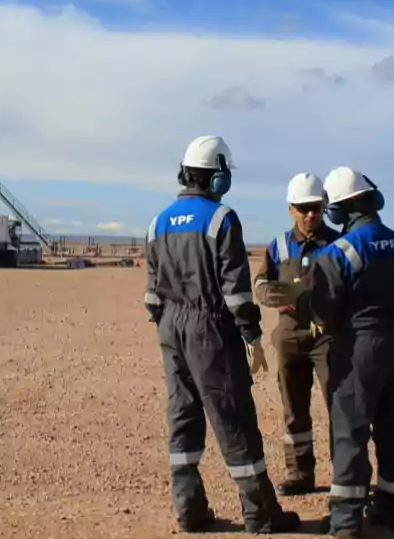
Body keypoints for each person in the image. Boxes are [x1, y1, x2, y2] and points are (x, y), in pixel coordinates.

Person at [144, 136, 301, 535]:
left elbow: (151, 296)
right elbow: (236, 292)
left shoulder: (157, 222)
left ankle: (190, 510)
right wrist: (250, 337)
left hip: (171, 328)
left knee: (183, 415)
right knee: (233, 416)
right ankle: (260, 513)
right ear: (216, 176)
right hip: (209, 328)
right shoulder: (220, 218)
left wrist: (170, 330)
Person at [307, 167, 394, 538]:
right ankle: (392, 510)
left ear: (338, 210)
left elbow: (324, 309)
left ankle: (345, 521)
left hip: (359, 350)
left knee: (350, 432)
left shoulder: (337, 253)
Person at [252, 172, 341, 496]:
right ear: (291, 209)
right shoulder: (277, 245)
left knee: (340, 408)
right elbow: (260, 282)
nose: (310, 215)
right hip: (289, 338)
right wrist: (270, 294)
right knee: (294, 410)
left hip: (329, 339)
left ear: (324, 206)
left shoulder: (339, 244)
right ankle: (299, 474)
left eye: (315, 207)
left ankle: (344, 478)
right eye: (303, 208)